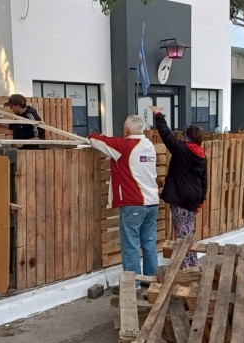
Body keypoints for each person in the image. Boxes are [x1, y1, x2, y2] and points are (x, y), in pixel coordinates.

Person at [88, 116, 159, 285]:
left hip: (133, 204)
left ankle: (132, 285)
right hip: (152, 203)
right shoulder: (149, 145)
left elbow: (95, 139)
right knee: (149, 244)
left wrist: (92, 134)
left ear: (126, 130)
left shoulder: (125, 146)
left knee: (131, 246)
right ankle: (151, 281)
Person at [151, 106, 207, 268]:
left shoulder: (182, 150)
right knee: (189, 231)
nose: (181, 137)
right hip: (193, 197)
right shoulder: (201, 155)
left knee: (182, 233)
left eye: (183, 135)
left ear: (187, 137)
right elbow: (204, 180)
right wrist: (201, 201)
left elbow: (165, 134)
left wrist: (158, 114)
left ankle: (185, 267)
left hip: (181, 197)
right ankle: (192, 262)